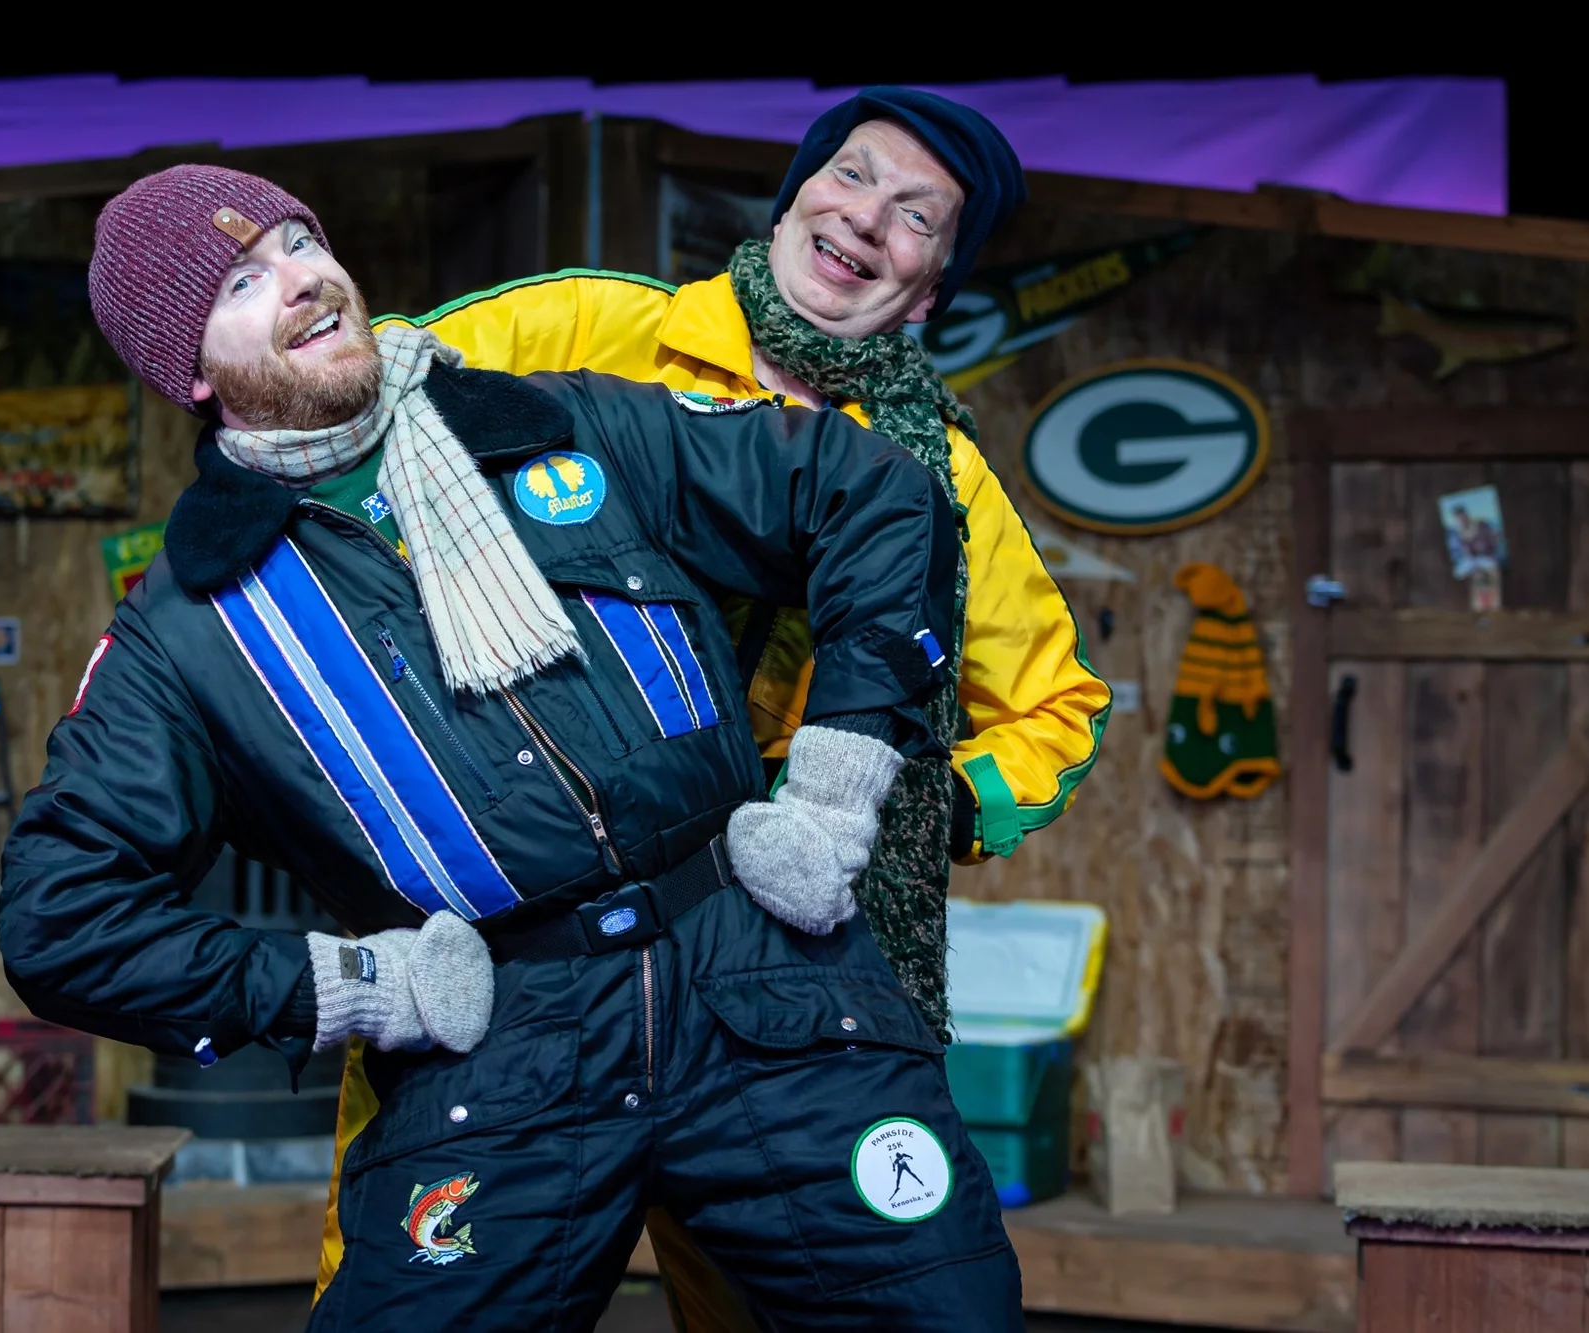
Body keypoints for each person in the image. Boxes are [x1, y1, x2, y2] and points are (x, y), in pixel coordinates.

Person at [0, 164, 1024, 1329]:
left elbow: (875, 494)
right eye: (242, 281)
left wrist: (837, 787)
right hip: (499, 1055)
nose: (300, 282)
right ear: (187, 368)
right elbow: (60, 919)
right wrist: (347, 988)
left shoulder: (560, 421)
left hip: (765, 983)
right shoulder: (188, 630)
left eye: (296, 242)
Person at [322, 87, 1112, 1328]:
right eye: (850, 174)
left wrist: (902, 804)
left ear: (931, 284)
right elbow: (352, 390)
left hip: (768, 969)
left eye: (915, 216)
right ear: (796, 189)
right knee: (423, 1287)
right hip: (516, 934)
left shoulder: (937, 475)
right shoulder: (585, 325)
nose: (864, 218)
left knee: (784, 1304)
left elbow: (1058, 709)